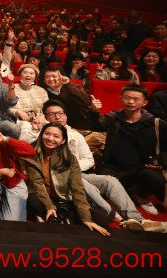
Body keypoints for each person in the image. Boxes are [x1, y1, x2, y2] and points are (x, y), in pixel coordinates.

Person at [42, 99, 163, 231]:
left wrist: (73, 169)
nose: (58, 117)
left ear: (66, 116)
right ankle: (120, 219)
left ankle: (138, 219)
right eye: (52, 114)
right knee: (79, 180)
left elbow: (88, 159)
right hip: (56, 177)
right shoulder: (43, 134)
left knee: (109, 180)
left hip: (77, 172)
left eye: (61, 113)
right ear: (45, 117)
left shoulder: (75, 135)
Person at [91, 83, 167, 216]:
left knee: (153, 178)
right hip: (114, 166)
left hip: (142, 168)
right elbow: (96, 127)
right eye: (127, 98)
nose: (131, 102)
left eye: (136, 99)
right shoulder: (113, 118)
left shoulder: (155, 123)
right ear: (120, 99)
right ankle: (128, 190)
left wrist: (159, 161)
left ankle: (140, 194)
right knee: (101, 186)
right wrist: (94, 111)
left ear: (145, 102)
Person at [24, 122, 110, 236]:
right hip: (41, 196)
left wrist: (86, 218)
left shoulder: (69, 158)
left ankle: (61, 216)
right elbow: (37, 184)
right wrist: (49, 207)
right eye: (47, 134)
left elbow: (77, 188)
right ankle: (58, 215)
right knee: (32, 200)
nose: (50, 138)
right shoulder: (31, 153)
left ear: (63, 140)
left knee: (102, 219)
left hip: (63, 197)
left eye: (56, 136)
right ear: (41, 135)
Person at [43, 66, 100, 130]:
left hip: (79, 125)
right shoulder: (43, 92)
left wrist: (68, 84)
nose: (50, 79)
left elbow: (86, 102)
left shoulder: (72, 87)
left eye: (54, 76)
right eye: (47, 77)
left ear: (62, 77)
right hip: (55, 126)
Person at [8, 63, 49, 142]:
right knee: (26, 129)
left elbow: (47, 108)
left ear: (35, 77)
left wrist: (43, 116)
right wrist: (17, 111)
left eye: (31, 73)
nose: (28, 75)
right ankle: (23, 151)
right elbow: (5, 107)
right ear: (20, 75)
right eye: (25, 72)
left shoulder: (41, 90)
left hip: (39, 118)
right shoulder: (12, 88)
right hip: (21, 120)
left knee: (52, 128)